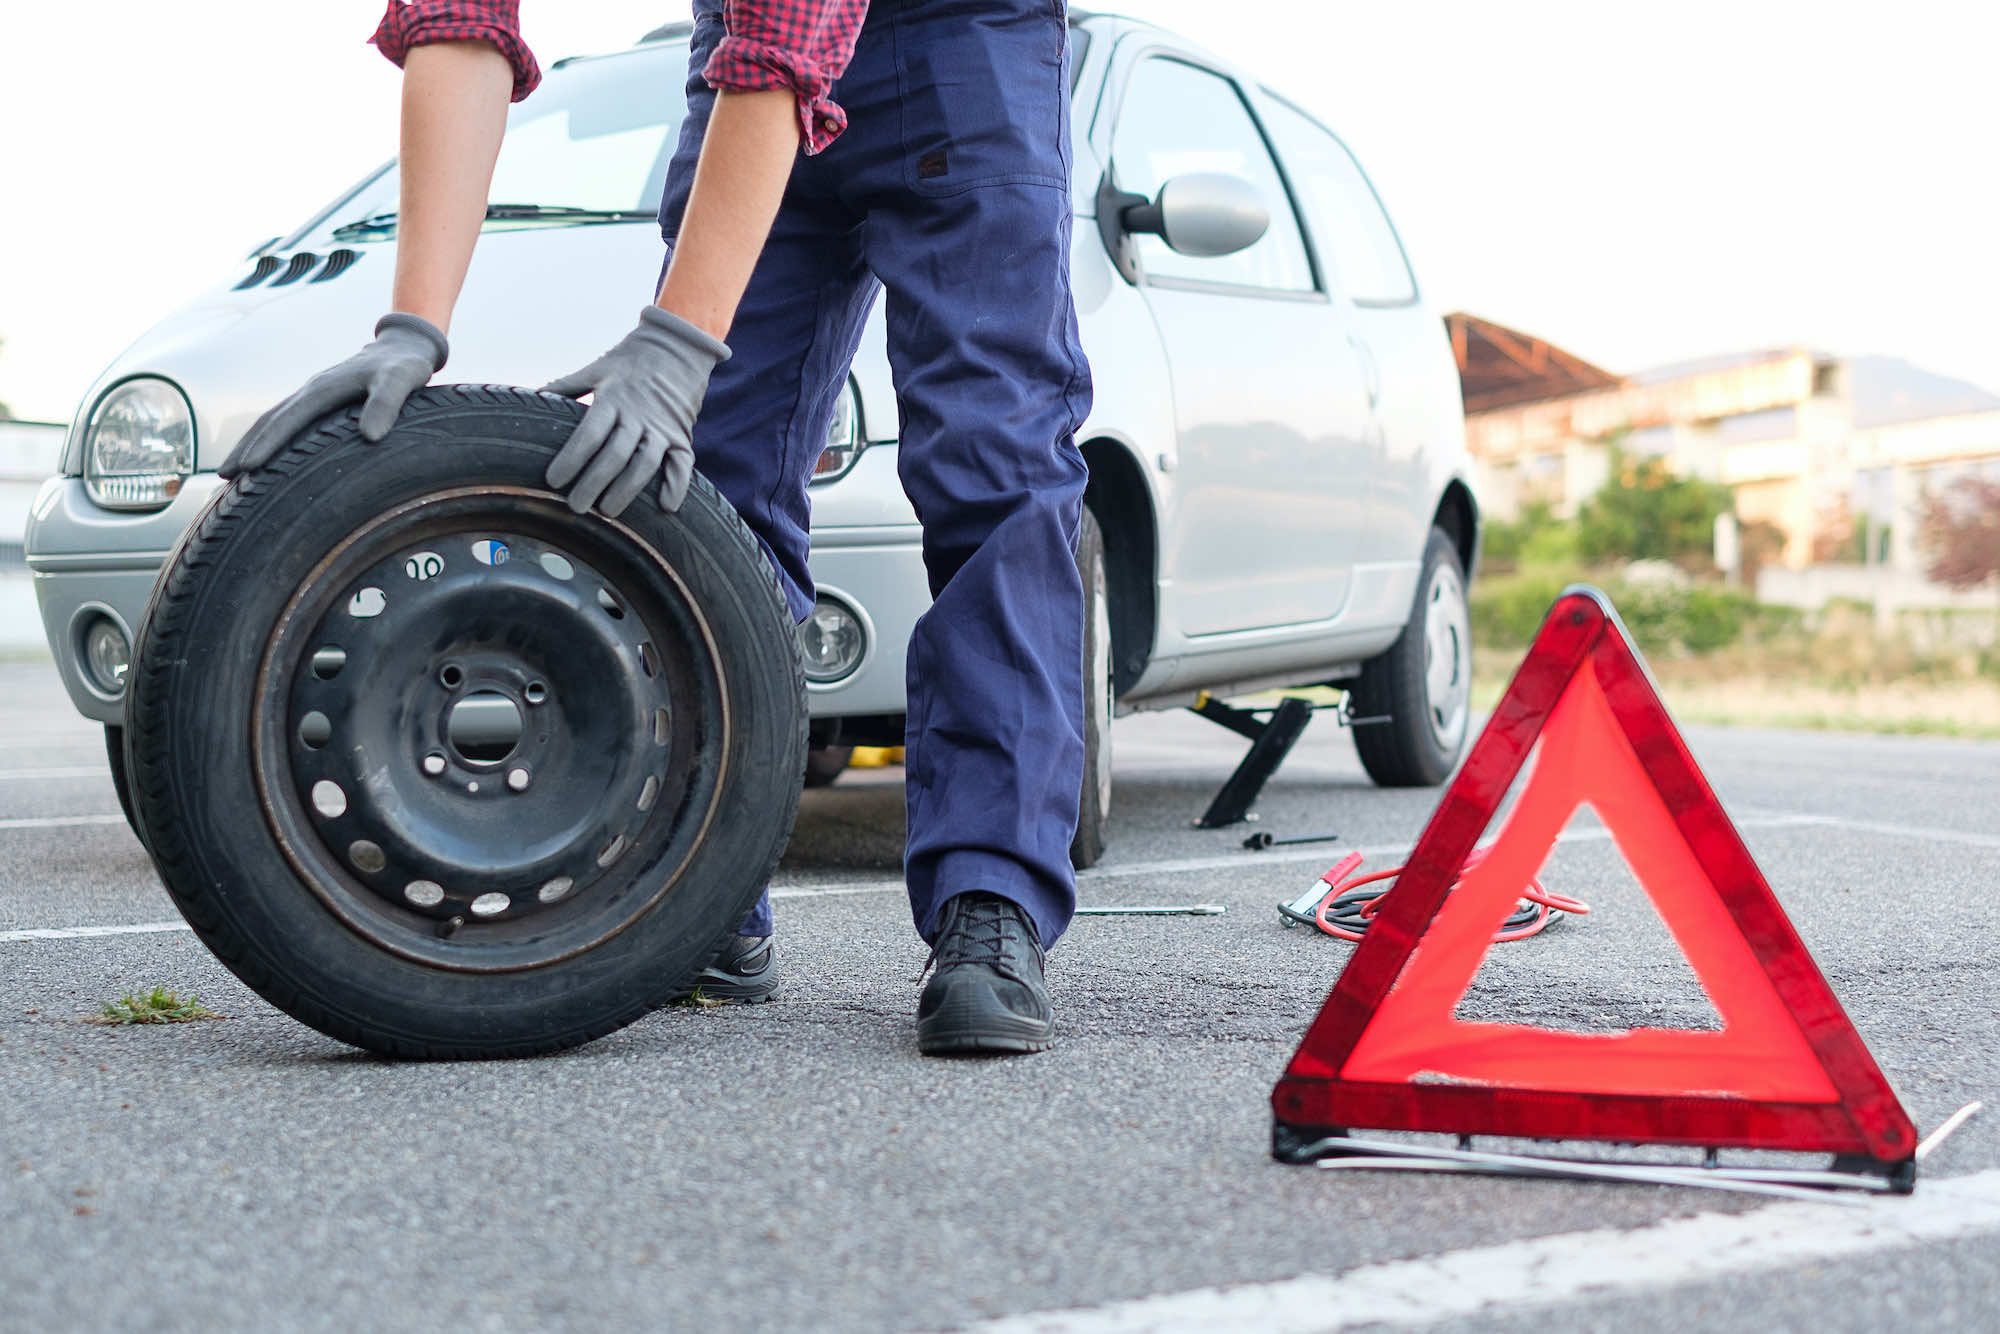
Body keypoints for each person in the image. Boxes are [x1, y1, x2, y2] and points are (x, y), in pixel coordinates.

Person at [219, 0, 1092, 1056]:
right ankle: (702, 889)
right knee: (702, 476)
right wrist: (413, 321)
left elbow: (793, 31)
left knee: (990, 468)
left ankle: (988, 901)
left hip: (959, 47)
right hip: (743, 60)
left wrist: (675, 343)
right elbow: (460, 20)